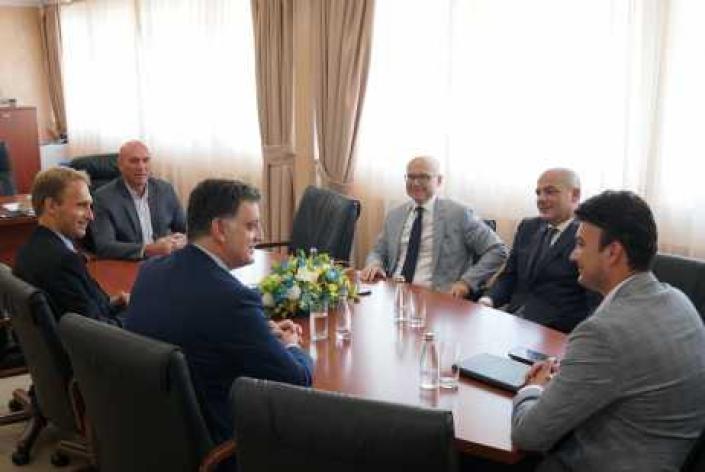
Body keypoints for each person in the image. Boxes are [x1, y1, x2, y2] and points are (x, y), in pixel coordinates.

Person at [512, 190, 705, 471]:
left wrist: (534, 387)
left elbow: (528, 435)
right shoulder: (679, 300)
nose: (573, 256)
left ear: (613, 252)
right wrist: (573, 373)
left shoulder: (603, 332)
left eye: (580, 244)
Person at [125, 179, 313, 443]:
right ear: (220, 229)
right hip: (218, 444)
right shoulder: (233, 300)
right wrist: (291, 345)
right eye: (250, 226)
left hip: (149, 435)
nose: (260, 235)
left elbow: (200, 330)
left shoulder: (150, 271)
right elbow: (296, 380)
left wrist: (260, 331)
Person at [360, 156, 507, 298]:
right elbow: (378, 251)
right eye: (411, 177)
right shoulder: (395, 215)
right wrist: (375, 264)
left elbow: (498, 250)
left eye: (424, 177)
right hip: (394, 293)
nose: (416, 183)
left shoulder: (459, 214)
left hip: (437, 297)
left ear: (439, 181)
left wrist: (466, 282)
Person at [479, 168, 599, 332]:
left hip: (556, 333)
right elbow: (509, 276)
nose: (541, 199)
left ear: (575, 195)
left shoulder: (588, 235)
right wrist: (488, 300)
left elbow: (594, 302)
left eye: (550, 192)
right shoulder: (528, 227)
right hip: (514, 323)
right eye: (538, 193)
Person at [14, 167, 127, 325]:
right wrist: (136, 316)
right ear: (51, 206)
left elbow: (78, 308)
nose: (91, 216)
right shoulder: (63, 261)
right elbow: (93, 331)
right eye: (81, 205)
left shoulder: (28, 249)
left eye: (90, 206)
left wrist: (114, 303)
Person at [91, 140, 187, 260]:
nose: (141, 167)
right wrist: (149, 249)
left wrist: (183, 239)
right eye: (134, 161)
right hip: (129, 264)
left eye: (145, 160)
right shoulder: (103, 198)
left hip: (165, 261)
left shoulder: (165, 190)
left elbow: (185, 228)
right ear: (120, 165)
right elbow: (105, 246)